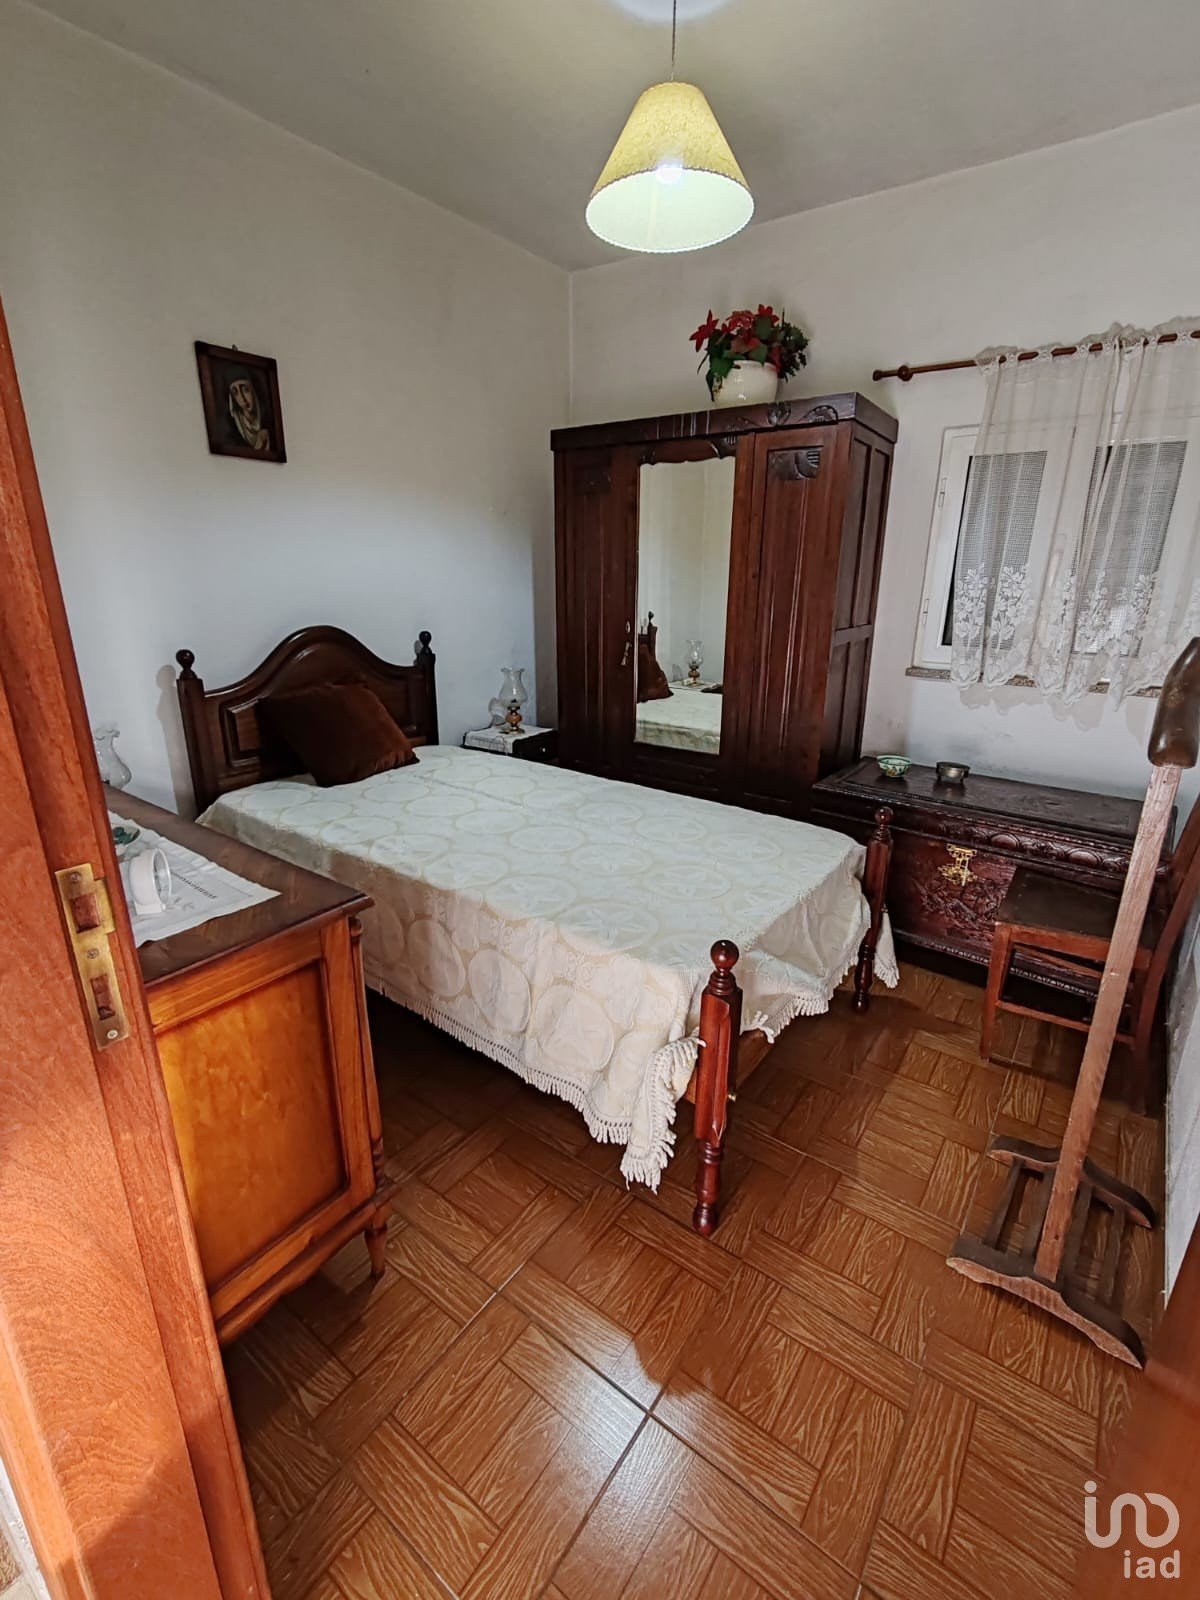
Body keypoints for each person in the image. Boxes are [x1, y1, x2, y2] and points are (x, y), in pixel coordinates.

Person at [225, 365, 271, 451]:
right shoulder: (232, 429)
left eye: (245, 390)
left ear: (255, 390)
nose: (242, 399)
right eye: (235, 393)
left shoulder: (269, 420)